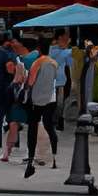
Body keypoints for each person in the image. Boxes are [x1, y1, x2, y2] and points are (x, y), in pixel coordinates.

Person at [23, 38, 61, 177]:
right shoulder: (54, 63)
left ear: (38, 49)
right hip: (51, 99)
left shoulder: (37, 63)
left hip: (37, 100)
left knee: (32, 127)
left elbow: (31, 82)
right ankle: (54, 156)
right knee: (49, 126)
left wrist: (26, 84)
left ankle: (31, 158)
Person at [50, 32, 75, 131]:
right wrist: (66, 48)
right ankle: (53, 120)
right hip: (52, 79)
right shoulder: (53, 49)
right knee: (54, 102)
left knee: (60, 102)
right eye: (66, 37)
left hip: (62, 80)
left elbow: (70, 63)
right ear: (60, 37)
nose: (68, 39)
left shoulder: (66, 51)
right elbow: (57, 58)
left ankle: (59, 120)